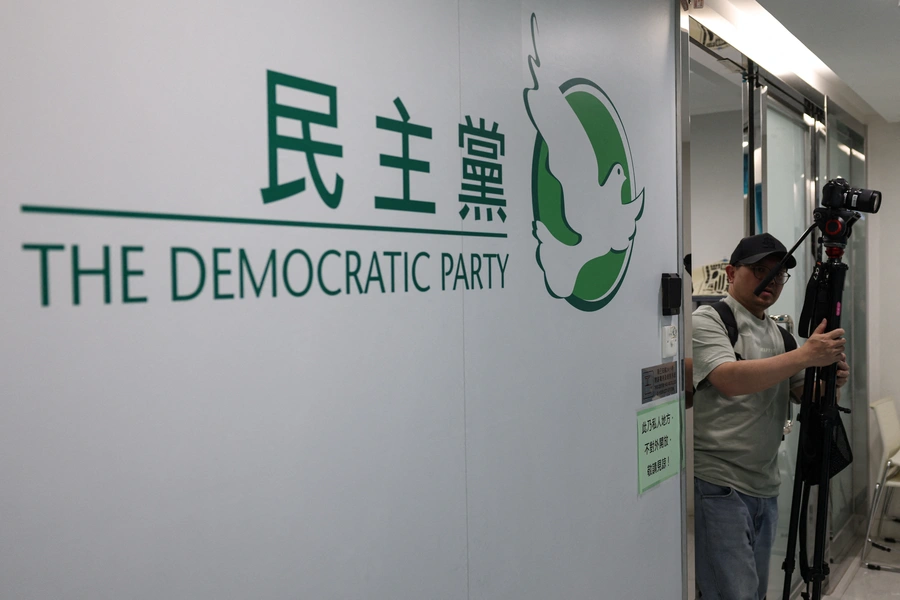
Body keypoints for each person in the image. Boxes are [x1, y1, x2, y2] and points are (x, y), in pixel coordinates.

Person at [691, 233, 850, 600]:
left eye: (778, 275)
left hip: (765, 486)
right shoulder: (710, 320)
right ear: (731, 273)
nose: (771, 282)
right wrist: (807, 356)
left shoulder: (781, 335)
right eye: (760, 271)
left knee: (755, 593)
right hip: (719, 485)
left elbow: (801, 393)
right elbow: (727, 379)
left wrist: (831, 380)